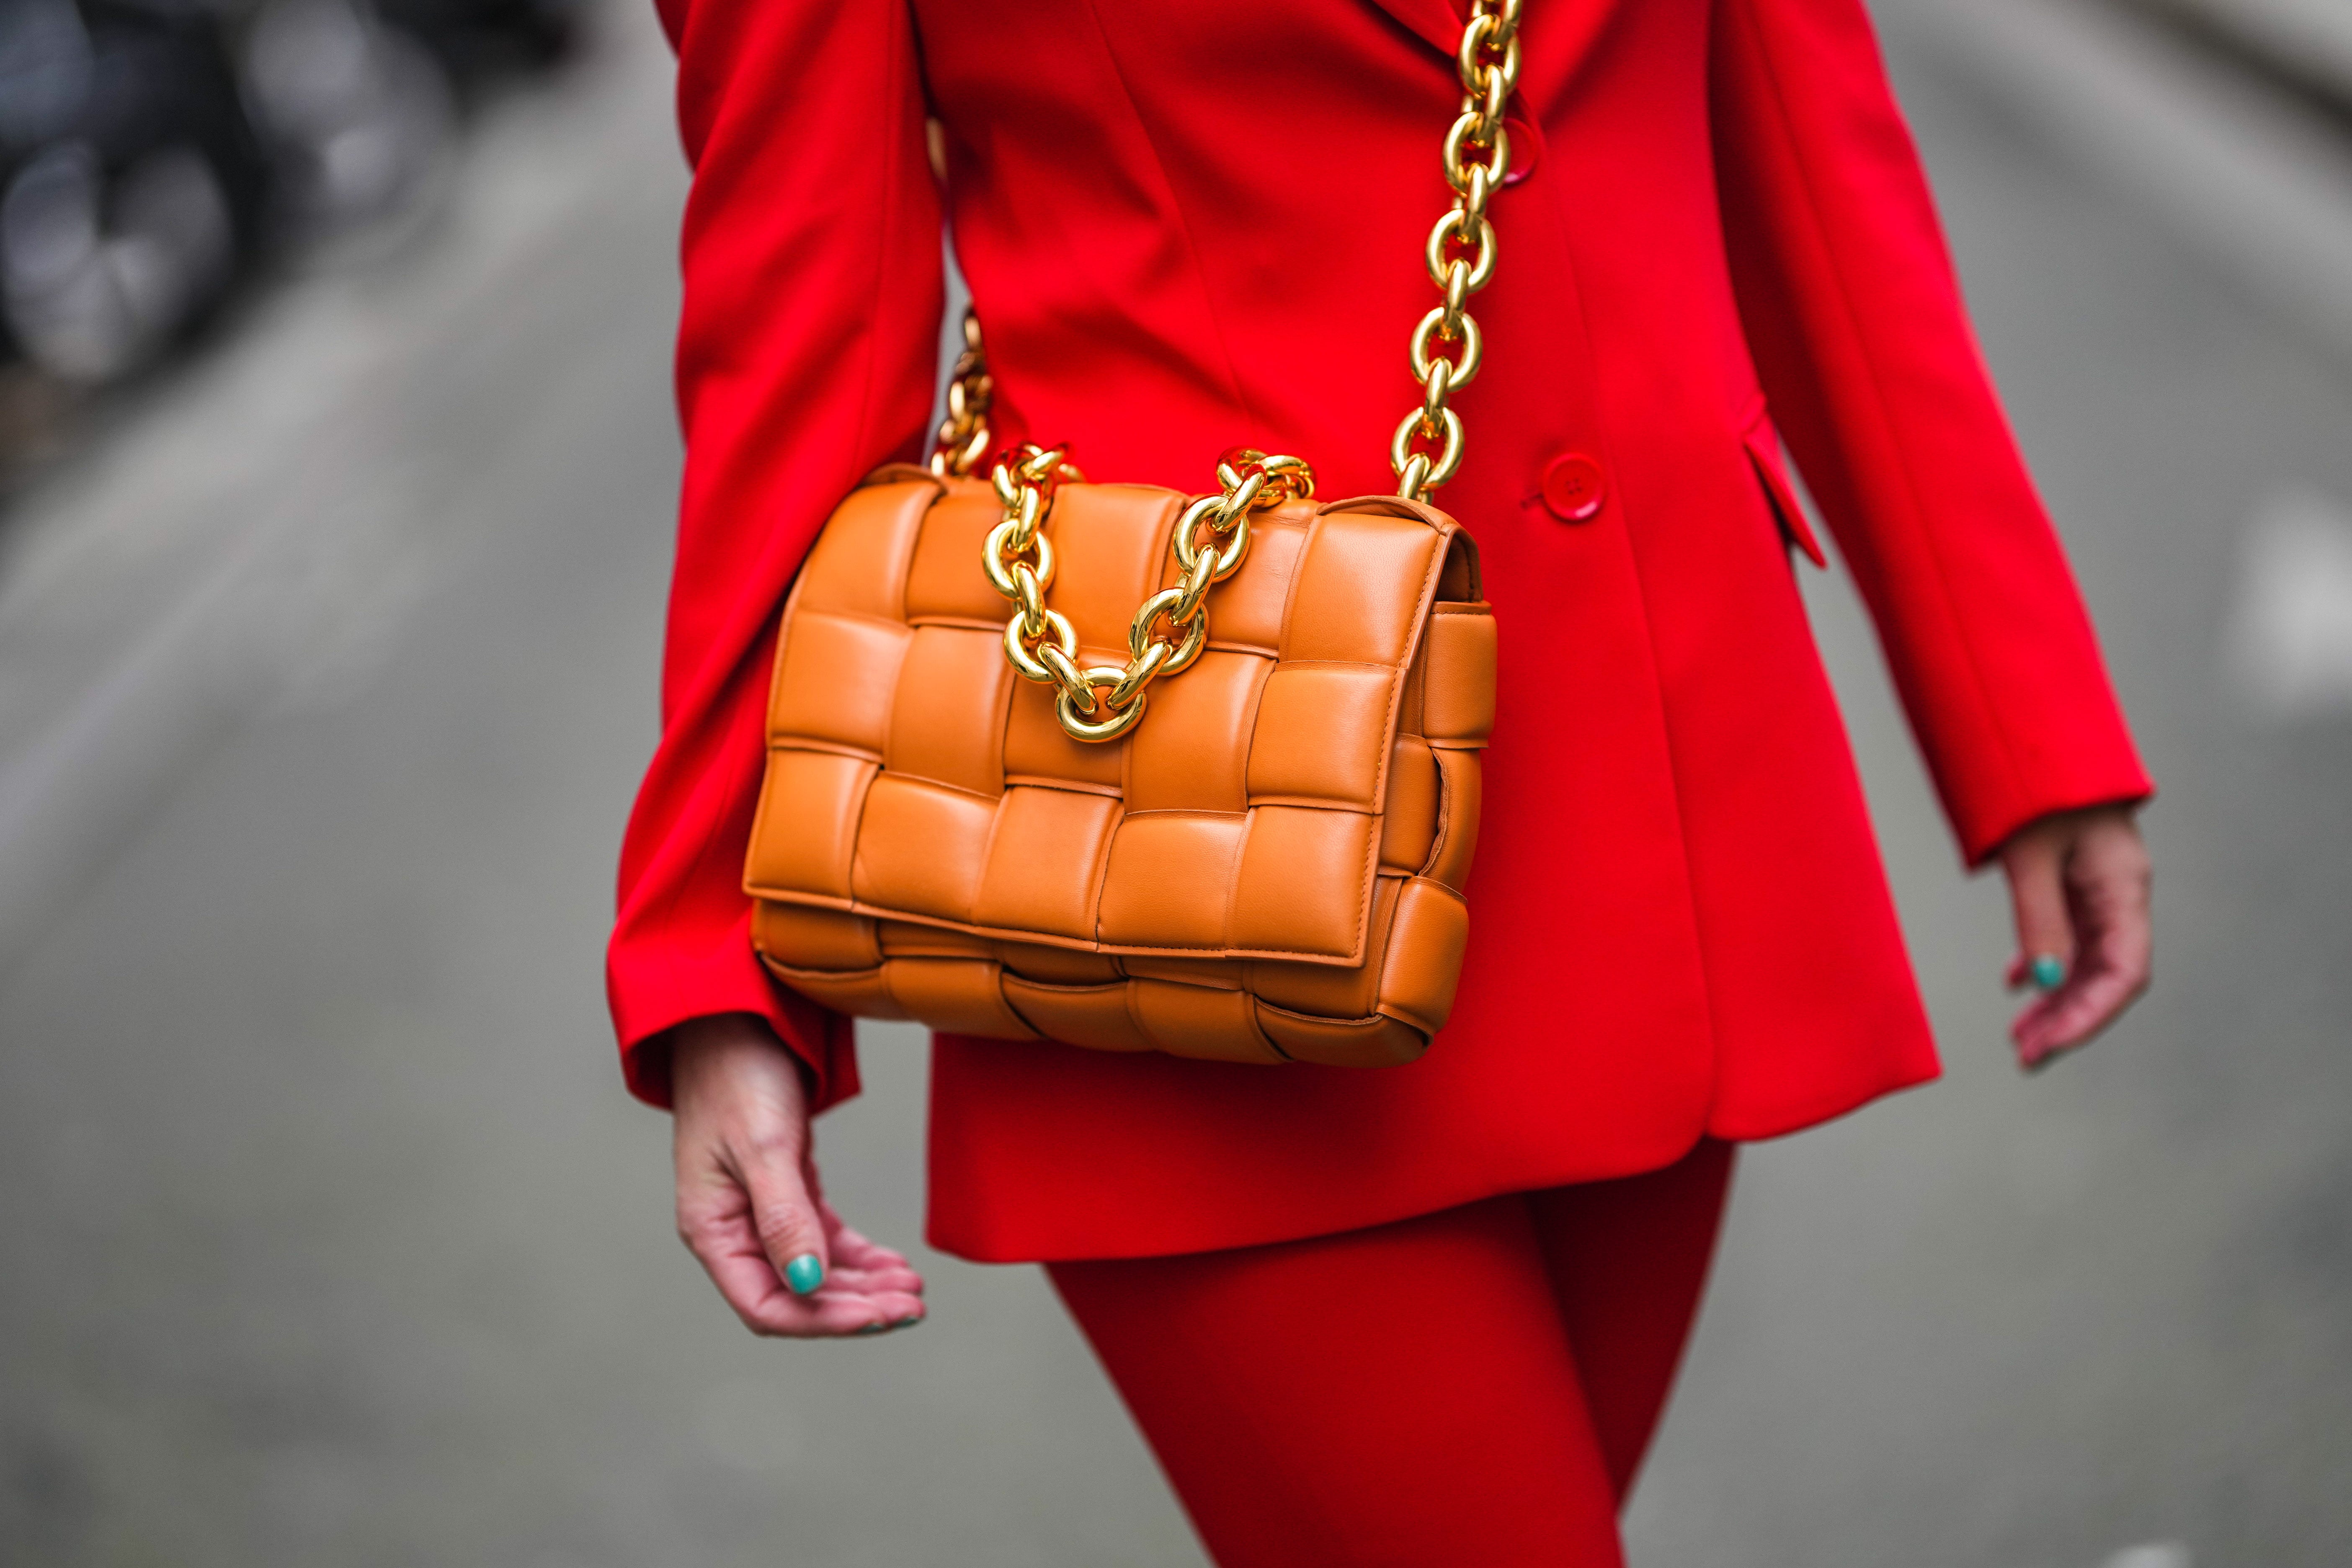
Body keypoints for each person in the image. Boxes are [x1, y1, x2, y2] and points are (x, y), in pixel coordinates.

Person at [608, 0, 2155, 1561]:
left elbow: (1814, 163)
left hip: (1651, 783)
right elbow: (803, 325)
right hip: (1179, 844)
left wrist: (2027, 724)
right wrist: (721, 967)